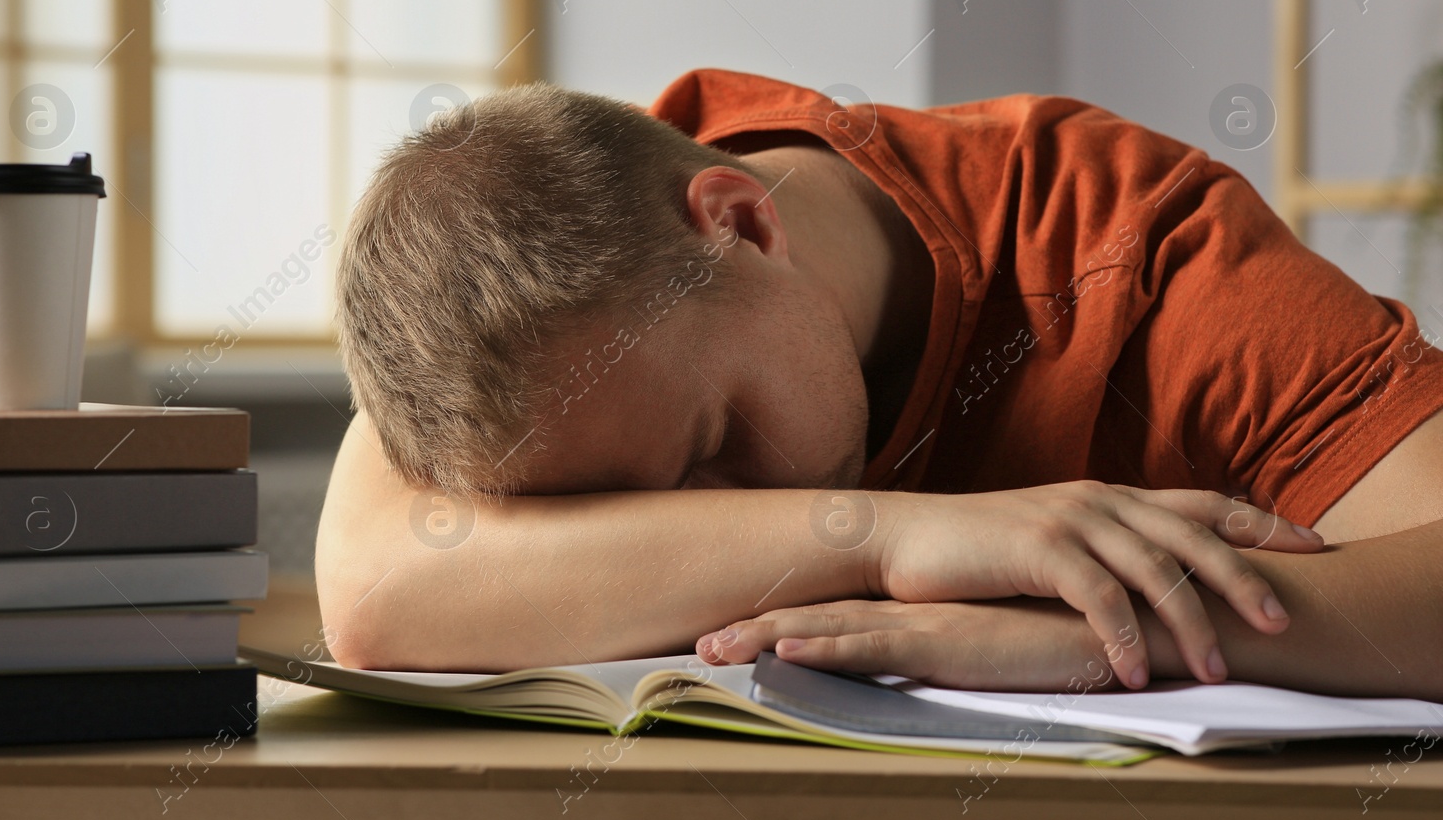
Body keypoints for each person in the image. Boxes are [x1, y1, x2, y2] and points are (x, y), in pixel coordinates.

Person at [317, 68, 1443, 699]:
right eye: (624, 506)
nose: (720, 518)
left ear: (742, 222)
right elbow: (372, 594)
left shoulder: (1134, 245)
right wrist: (889, 539)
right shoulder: (515, 307)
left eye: (717, 436)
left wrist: (1111, 620)